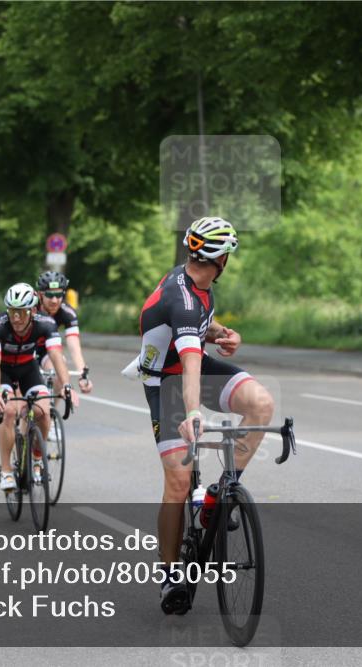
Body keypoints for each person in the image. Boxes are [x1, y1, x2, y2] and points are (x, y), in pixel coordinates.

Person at [137, 217, 275, 614]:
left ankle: (221, 493)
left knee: (261, 403)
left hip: (191, 364)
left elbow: (201, 327)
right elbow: (190, 361)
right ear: (220, 259)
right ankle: (169, 574)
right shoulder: (179, 299)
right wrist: (194, 412)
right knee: (178, 484)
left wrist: (223, 333)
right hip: (166, 380)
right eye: (228, 253)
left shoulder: (199, 285)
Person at [0, 283, 78, 491]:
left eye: (21, 312)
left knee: (43, 412)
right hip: (3, 370)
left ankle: (37, 458)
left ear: (33, 310)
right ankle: (7, 470)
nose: (16, 318)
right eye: (12, 311)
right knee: (9, 411)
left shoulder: (45, 324)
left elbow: (56, 356)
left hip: (28, 369)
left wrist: (66, 385)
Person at [36, 270, 93, 394]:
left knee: (58, 374)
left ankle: (51, 409)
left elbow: (74, 346)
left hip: (48, 350)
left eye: (59, 295)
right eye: (50, 295)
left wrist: (82, 374)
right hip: (26, 348)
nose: (55, 300)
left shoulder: (67, 312)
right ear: (40, 295)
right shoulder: (30, 308)